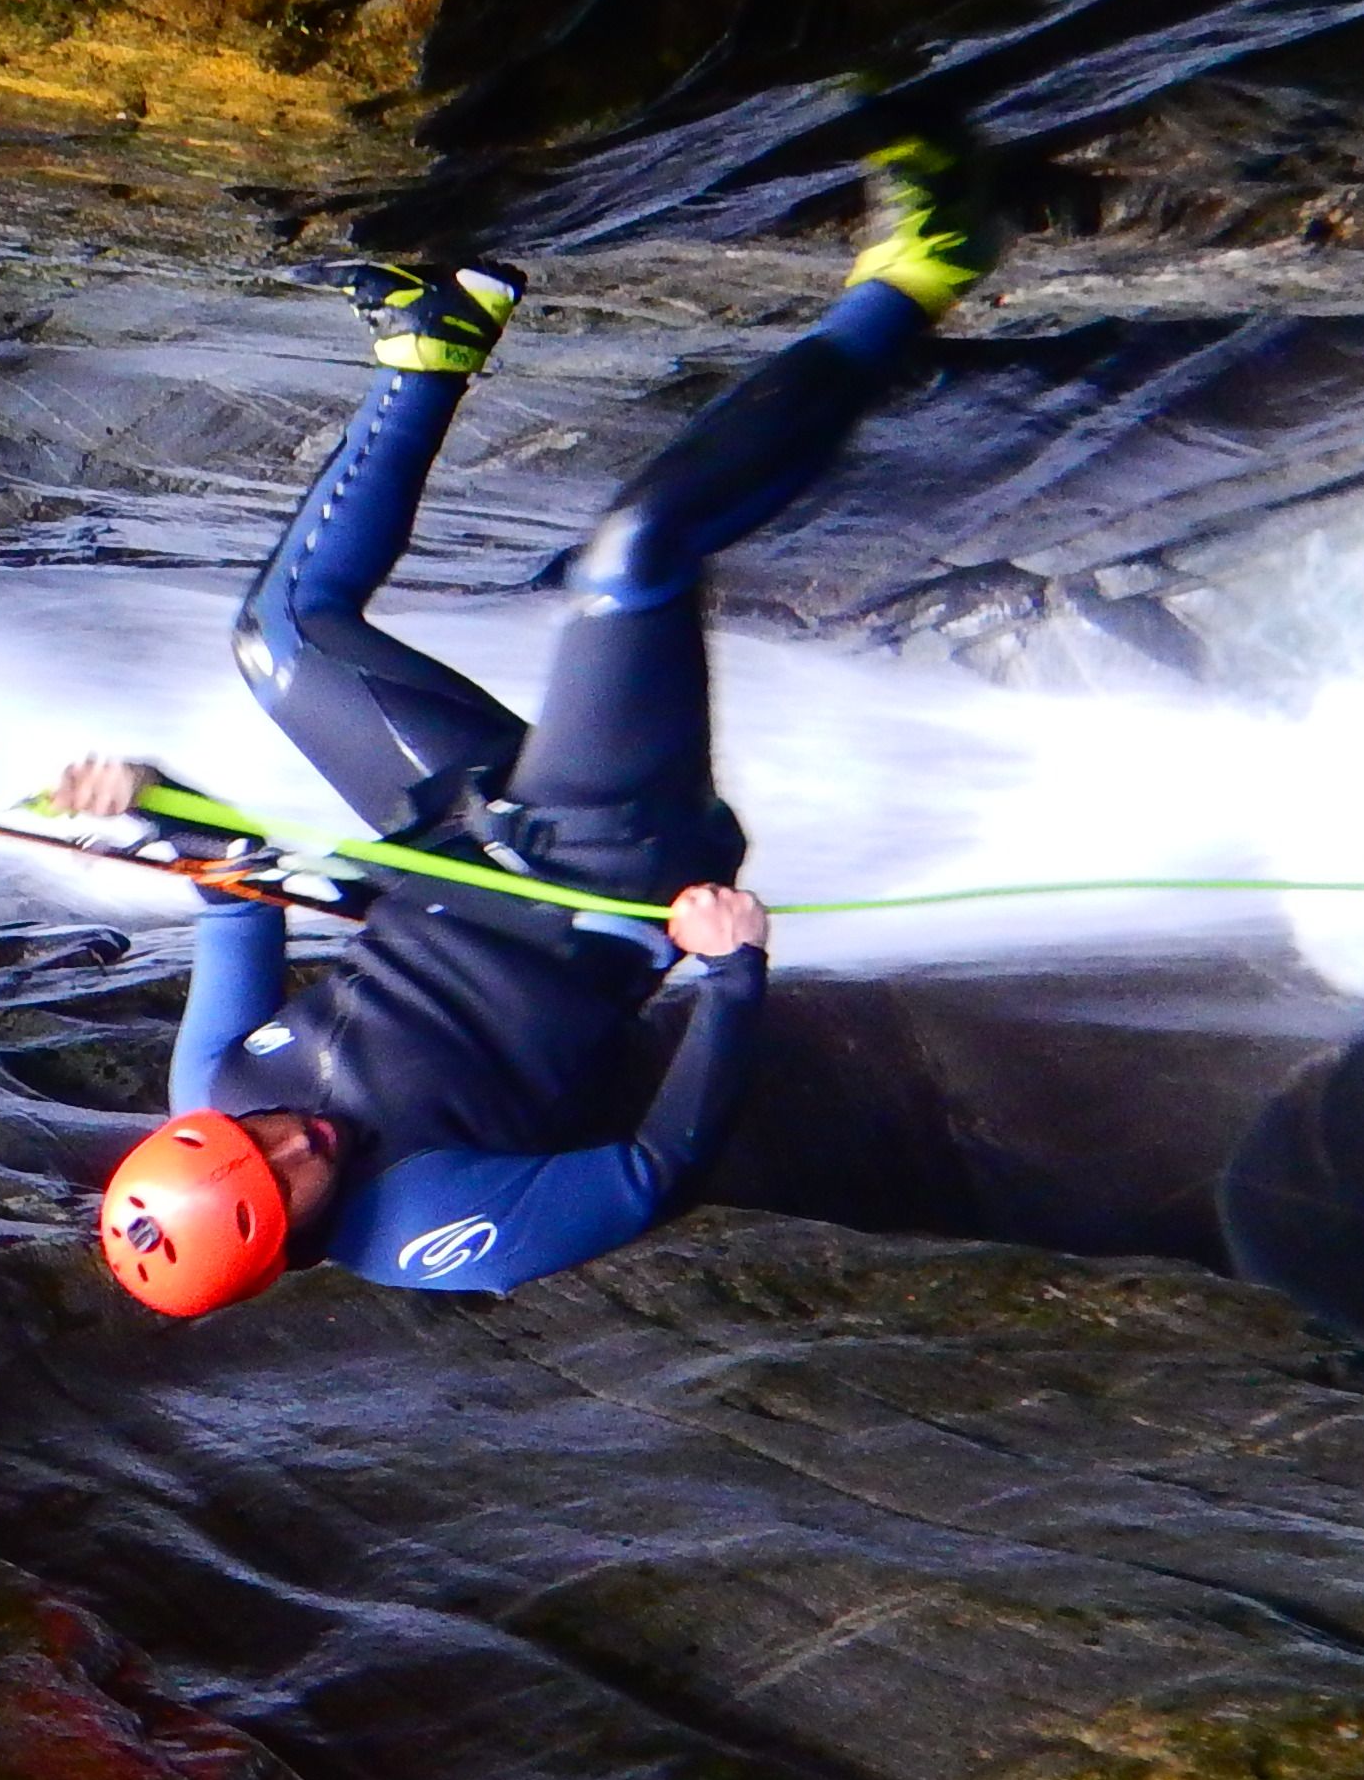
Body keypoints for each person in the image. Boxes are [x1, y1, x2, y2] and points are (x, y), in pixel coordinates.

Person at [74, 138, 1011, 1315]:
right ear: (288, 1250)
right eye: (286, 1183)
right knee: (633, 560)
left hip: (453, 839)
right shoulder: (434, 1231)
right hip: (599, 866)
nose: (293, 1144)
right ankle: (920, 274)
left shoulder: (208, 1085)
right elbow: (651, 1174)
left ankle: (435, 337)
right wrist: (729, 976)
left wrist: (149, 801)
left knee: (284, 638)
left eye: (252, 1139)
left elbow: (233, 887)